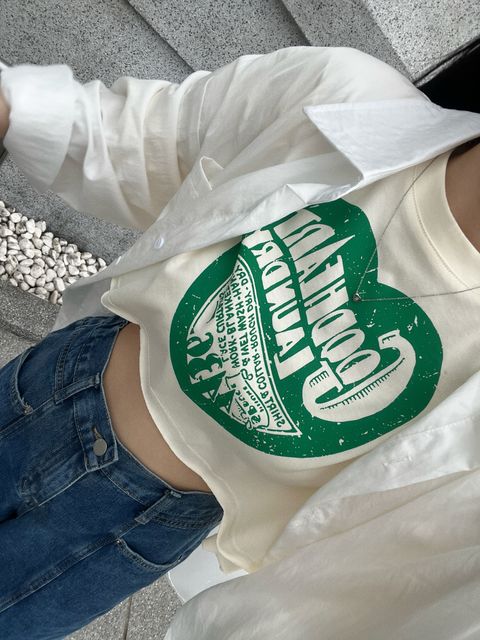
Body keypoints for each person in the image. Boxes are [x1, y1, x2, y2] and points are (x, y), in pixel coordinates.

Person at [0, 38, 480, 639]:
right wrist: (15, 106)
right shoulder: (346, 96)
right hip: (55, 382)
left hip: (128, 525)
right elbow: (137, 140)